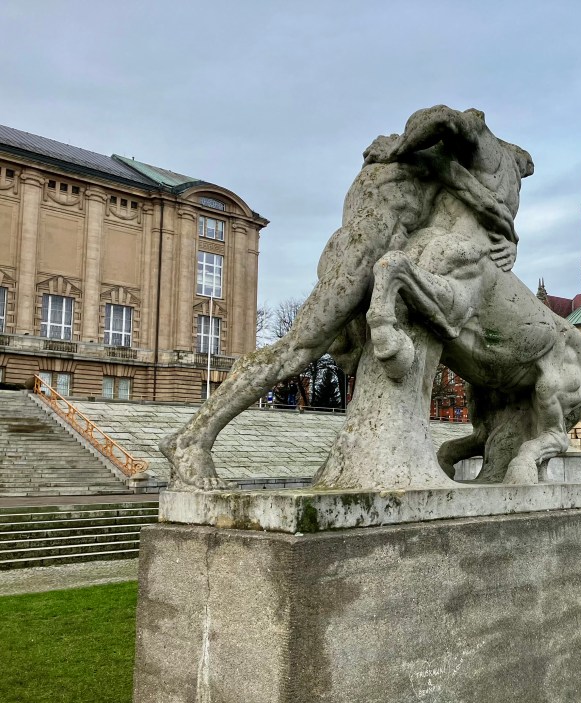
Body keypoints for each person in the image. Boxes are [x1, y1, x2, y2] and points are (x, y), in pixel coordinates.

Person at [160, 106, 533, 489]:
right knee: (296, 351)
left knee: (302, 351)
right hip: (364, 246)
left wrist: (506, 239)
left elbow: (481, 216)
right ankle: (191, 440)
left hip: (379, 245)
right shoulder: (442, 154)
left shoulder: (448, 175)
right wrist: (401, 147)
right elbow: (442, 120)